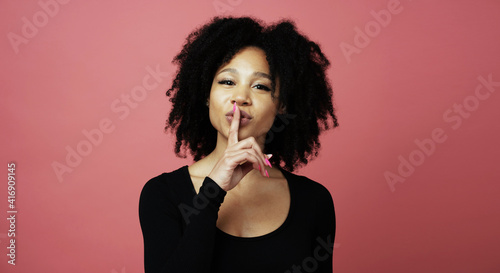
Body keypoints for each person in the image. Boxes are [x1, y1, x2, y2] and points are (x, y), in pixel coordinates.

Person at [139, 16, 338, 273]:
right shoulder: (162, 194)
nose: (241, 97)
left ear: (282, 104)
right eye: (227, 82)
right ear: (207, 95)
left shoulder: (314, 201)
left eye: (260, 86)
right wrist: (213, 192)